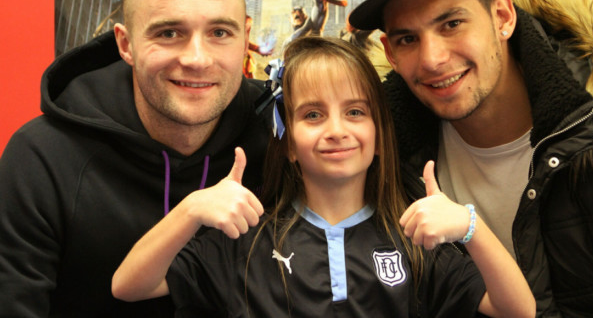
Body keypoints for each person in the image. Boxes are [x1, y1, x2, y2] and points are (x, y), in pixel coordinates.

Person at [348, 0, 593, 318]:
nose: (432, 59)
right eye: (407, 39)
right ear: (390, 53)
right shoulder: (384, 154)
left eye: (451, 24)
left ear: (502, 17)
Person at [111, 36, 535, 317]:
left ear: (379, 136)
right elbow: (129, 286)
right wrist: (190, 210)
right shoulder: (247, 239)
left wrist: (469, 226)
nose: (336, 130)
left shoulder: (416, 237)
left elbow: (518, 310)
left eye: (355, 112)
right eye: (313, 115)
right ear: (290, 143)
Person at [0, 0, 270, 317]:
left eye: (220, 32)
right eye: (170, 32)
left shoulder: (282, 139)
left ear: (245, 38)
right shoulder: (42, 156)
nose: (196, 58)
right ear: (126, 44)